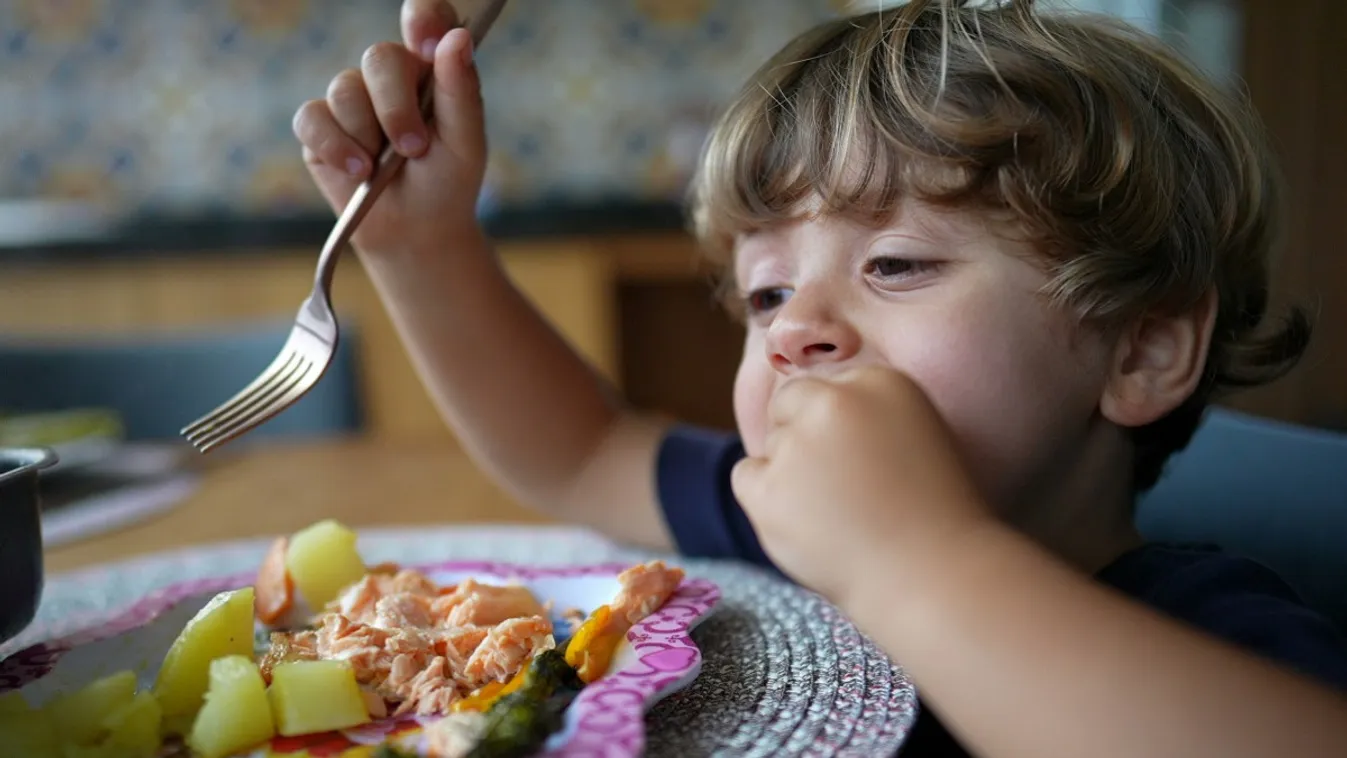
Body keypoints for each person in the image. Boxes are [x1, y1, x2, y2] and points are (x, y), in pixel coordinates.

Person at [291, 0, 1347, 755]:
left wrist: (911, 558)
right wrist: (424, 251)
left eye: (894, 264)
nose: (796, 328)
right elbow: (581, 451)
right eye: (764, 295)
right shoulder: (803, 526)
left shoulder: (1213, 635)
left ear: (1142, 348)